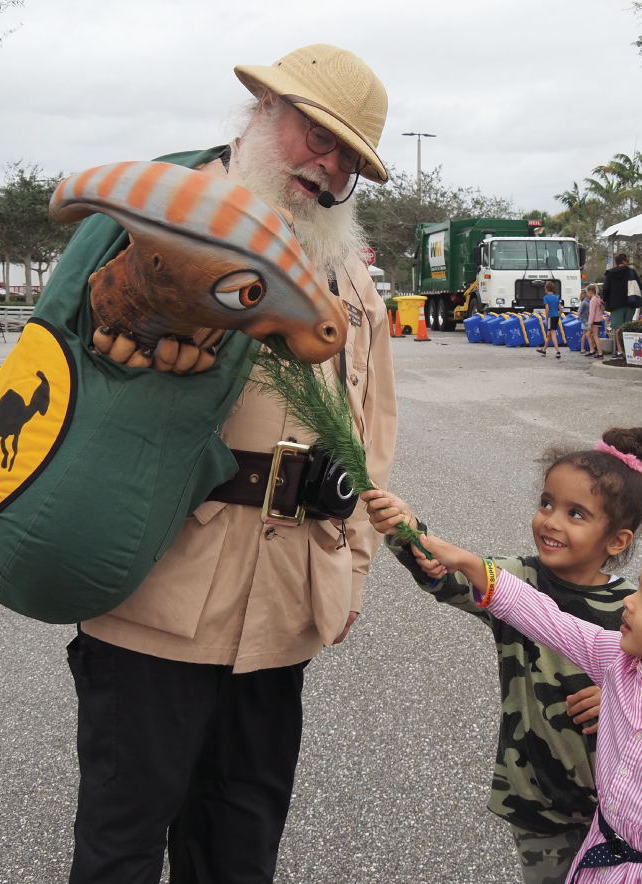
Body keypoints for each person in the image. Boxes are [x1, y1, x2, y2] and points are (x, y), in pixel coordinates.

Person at [64, 45, 399, 884]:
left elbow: (372, 427)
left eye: (348, 159)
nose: (327, 168)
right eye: (314, 136)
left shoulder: (349, 271)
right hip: (159, 583)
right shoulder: (166, 221)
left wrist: (349, 569)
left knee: (241, 838)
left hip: (284, 595)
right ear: (259, 114)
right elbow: (70, 369)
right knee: (124, 836)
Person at [404, 529, 642, 884]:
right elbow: (549, 620)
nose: (629, 601)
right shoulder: (618, 663)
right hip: (602, 855)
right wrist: (468, 562)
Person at [361, 428, 642, 884]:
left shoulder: (634, 607)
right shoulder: (514, 580)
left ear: (616, 540)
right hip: (536, 797)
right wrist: (405, 530)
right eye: (546, 503)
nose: (551, 521)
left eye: (576, 514)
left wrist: (626, 695)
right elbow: (449, 574)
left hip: (624, 805)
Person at [602, 254, 641, 358]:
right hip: (630, 302)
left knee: (618, 328)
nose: (627, 262)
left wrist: (604, 299)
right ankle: (628, 351)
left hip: (615, 304)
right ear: (623, 261)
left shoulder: (610, 273)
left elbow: (606, 288)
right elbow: (639, 285)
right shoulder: (631, 272)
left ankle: (620, 351)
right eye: (626, 260)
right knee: (627, 327)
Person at [537, 280, 562, 358]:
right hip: (556, 316)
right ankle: (544, 350)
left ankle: (558, 351)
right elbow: (561, 309)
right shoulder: (556, 297)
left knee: (553, 334)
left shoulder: (546, 298)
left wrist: (547, 319)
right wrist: (559, 316)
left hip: (550, 316)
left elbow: (547, 309)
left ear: (546, 289)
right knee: (549, 334)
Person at [585, 284, 605, 359]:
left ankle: (599, 353)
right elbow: (602, 309)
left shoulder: (593, 300)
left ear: (590, 292)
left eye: (587, 293)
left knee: (595, 336)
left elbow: (592, 312)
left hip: (594, 321)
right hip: (598, 319)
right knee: (589, 335)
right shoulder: (598, 298)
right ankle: (592, 351)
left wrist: (590, 323)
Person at [577, 285, 593, 354]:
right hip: (586, 321)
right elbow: (579, 312)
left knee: (586, 335)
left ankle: (583, 349)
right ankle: (584, 349)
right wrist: (583, 320)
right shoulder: (585, 302)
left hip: (586, 320)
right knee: (587, 335)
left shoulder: (587, 301)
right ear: (586, 294)